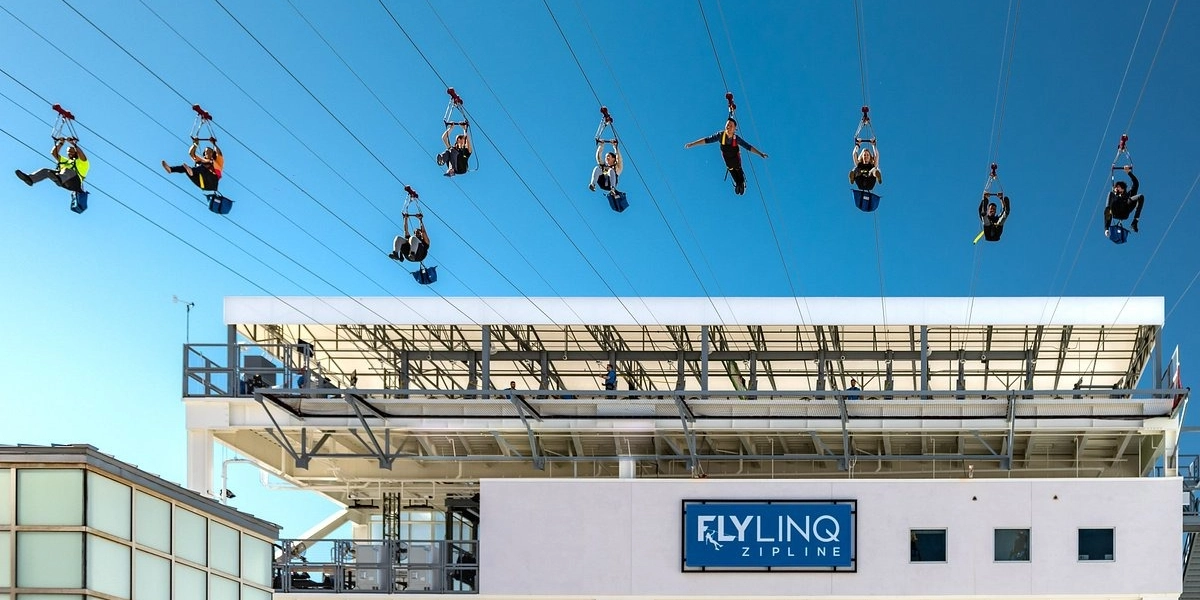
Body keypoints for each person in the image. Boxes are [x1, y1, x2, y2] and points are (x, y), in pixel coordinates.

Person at [684, 117, 768, 195]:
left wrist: (760, 153)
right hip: (729, 163)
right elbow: (706, 140)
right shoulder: (720, 135)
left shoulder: (736, 139)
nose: (728, 126)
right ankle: (738, 184)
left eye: (731, 125)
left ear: (735, 129)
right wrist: (692, 144)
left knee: (739, 175)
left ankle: (741, 183)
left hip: (736, 162)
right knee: (733, 173)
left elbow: (748, 147)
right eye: (727, 124)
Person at [16, 137, 89, 192]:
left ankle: (59, 178)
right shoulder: (66, 161)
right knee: (45, 171)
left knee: (66, 170)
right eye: (68, 152)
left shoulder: (82, 162)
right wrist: (61, 143)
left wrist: (73, 143)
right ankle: (30, 179)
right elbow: (54, 153)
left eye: (72, 152)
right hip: (65, 182)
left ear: (76, 152)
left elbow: (81, 154)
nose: (70, 153)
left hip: (75, 183)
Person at [1104, 165, 1144, 234]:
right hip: (1115, 211)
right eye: (1116, 187)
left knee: (1140, 196)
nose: (1116, 188)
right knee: (1110, 195)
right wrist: (1106, 228)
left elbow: (1136, 184)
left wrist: (1129, 172)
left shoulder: (1128, 195)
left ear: (1123, 189)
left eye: (1118, 187)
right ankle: (1107, 227)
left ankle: (1135, 222)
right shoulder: (1113, 196)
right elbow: (1108, 209)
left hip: (1125, 211)